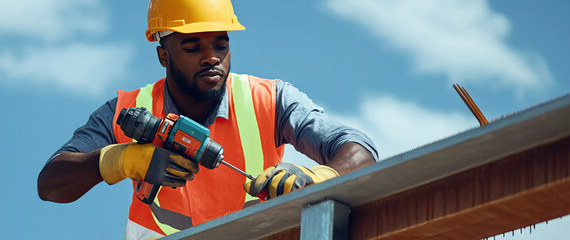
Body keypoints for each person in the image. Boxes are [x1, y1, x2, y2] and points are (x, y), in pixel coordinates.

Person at [37, 0, 378, 239]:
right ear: (162, 55)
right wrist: (118, 159)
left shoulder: (270, 100)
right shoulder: (129, 110)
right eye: (192, 47)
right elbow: (50, 183)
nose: (211, 57)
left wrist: (318, 177)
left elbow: (359, 149)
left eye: (221, 44)